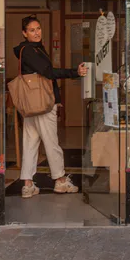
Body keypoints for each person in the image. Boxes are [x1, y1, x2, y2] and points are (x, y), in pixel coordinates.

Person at [13, 15, 87, 199]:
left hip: (31, 105)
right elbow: (48, 73)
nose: (37, 32)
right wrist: (74, 72)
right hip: (43, 105)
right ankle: (60, 181)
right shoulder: (30, 50)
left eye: (38, 29)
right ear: (24, 33)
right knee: (51, 143)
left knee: (30, 144)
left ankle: (28, 185)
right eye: (32, 30)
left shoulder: (32, 49)